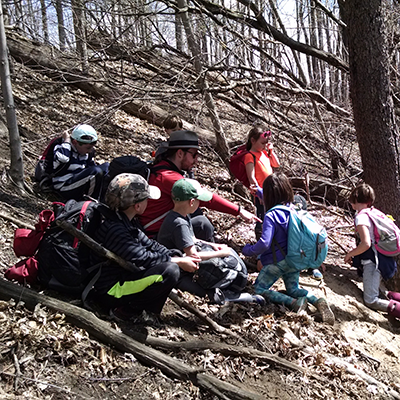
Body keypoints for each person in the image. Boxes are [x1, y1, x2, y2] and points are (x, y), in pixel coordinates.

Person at [92, 173, 201, 324]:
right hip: (110, 290)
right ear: (137, 205)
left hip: (123, 279)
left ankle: (147, 312)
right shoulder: (115, 229)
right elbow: (142, 257)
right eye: (146, 199)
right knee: (170, 271)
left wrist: (178, 256)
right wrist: (178, 261)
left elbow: (151, 245)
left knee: (173, 257)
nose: (148, 202)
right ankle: (126, 312)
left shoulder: (127, 222)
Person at [242, 172, 335, 325]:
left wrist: (248, 250)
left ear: (269, 197)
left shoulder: (271, 215)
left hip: (277, 262)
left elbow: (264, 243)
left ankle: (294, 303)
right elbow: (275, 194)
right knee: (293, 288)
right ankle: (317, 300)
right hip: (294, 259)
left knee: (258, 289)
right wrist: (259, 191)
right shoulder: (293, 209)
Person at [139, 130, 261, 241]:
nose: (196, 160)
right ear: (180, 153)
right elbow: (205, 199)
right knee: (202, 224)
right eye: (194, 154)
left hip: (163, 228)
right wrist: (239, 211)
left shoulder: (162, 168)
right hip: (155, 236)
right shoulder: (168, 177)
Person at [158, 178, 264, 304]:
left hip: (183, 266)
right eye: (199, 200)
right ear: (192, 202)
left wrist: (214, 245)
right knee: (209, 295)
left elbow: (191, 239)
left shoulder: (179, 215)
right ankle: (236, 297)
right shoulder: (179, 223)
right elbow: (193, 256)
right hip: (177, 272)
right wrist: (221, 254)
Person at [344, 183, 400, 319]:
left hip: (373, 262)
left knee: (371, 300)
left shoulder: (361, 217)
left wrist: (350, 254)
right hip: (383, 258)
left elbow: (366, 243)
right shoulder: (375, 212)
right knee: (382, 292)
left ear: (356, 198)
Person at [52, 124, 109, 201]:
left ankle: (104, 196)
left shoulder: (86, 153)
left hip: (79, 181)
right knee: (95, 172)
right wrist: (67, 141)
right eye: (88, 148)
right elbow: (63, 158)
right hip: (64, 186)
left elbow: (91, 167)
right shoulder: (63, 148)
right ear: (75, 142)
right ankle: (91, 201)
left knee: (106, 167)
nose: (89, 151)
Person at [244, 126, 280, 238]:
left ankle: (272, 240)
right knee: (262, 217)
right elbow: (251, 177)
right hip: (261, 193)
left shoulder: (264, 153)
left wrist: (270, 150)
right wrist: (259, 193)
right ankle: (261, 241)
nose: (265, 145)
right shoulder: (249, 156)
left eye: (266, 143)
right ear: (253, 141)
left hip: (272, 191)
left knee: (272, 215)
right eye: (263, 143)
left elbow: (276, 164)